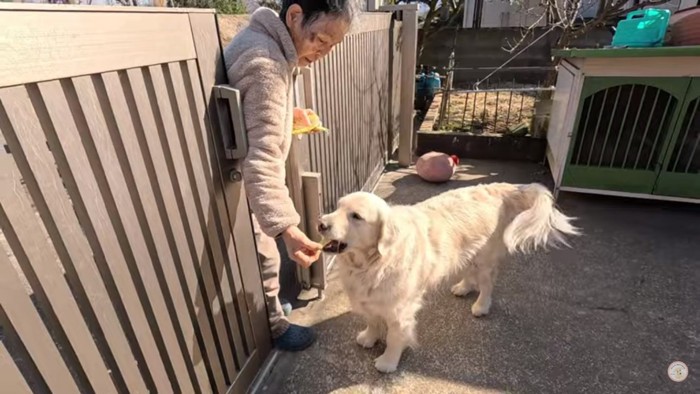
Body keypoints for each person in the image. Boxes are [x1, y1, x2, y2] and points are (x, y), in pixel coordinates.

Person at [224, 0, 356, 351]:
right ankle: (275, 327)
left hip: (237, 176)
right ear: (295, 16)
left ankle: (271, 310)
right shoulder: (267, 63)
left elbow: (254, 113)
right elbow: (262, 158)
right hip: (242, 182)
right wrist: (288, 228)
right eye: (320, 39)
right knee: (266, 251)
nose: (323, 52)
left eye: (332, 46)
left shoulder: (263, 42)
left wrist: (286, 116)